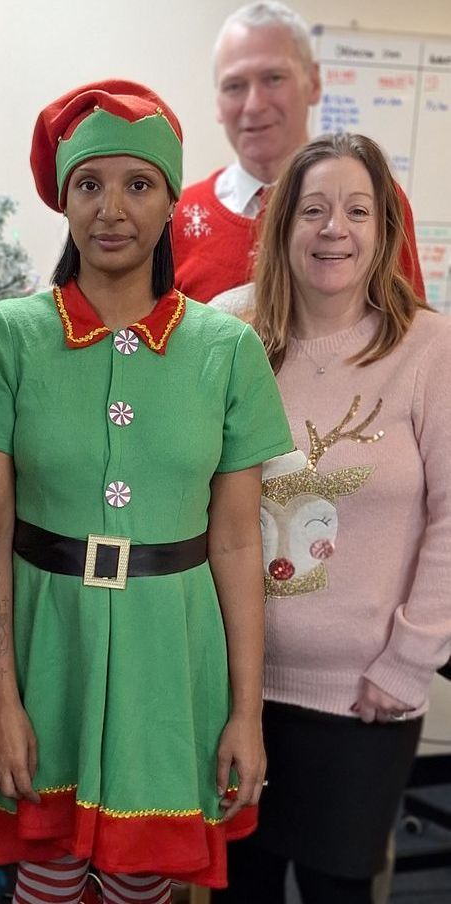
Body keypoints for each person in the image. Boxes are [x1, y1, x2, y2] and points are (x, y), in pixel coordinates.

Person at [0, 79, 294, 903]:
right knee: (47, 872)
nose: (112, 208)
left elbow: (239, 543)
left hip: (171, 656)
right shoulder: (7, 338)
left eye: (138, 184)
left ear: (172, 199)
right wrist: (1, 699)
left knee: (144, 879)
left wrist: (247, 711)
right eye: (89, 185)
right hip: (44, 646)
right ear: (64, 199)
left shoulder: (226, 350)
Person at [213, 132, 451, 904]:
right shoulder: (228, 334)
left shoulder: (430, 347)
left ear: (384, 229)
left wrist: (409, 661)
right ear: (283, 227)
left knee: (337, 891)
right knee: (236, 890)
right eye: (312, 210)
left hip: (361, 700)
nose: (333, 229)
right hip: (231, 689)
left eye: (356, 210)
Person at [171, 1, 425, 303]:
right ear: (218, 102)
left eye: (274, 78)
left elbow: (411, 336)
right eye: (235, 86)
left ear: (314, 82)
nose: (254, 105)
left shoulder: (376, 202)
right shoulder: (175, 217)